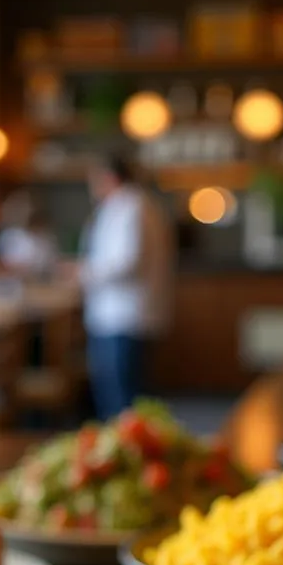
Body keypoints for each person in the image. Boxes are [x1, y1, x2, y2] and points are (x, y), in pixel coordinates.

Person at [75, 153, 174, 420]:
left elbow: (126, 262)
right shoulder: (133, 205)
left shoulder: (131, 207)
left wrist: (82, 271)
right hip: (120, 315)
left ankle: (122, 455)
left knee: (122, 400)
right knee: (123, 395)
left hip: (123, 317)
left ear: (109, 177)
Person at [0, 190, 59, 278]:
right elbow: (5, 265)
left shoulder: (45, 236)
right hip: (14, 284)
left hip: (42, 282)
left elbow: (52, 262)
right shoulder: (10, 236)